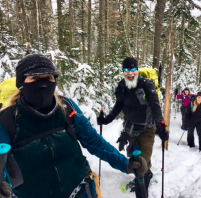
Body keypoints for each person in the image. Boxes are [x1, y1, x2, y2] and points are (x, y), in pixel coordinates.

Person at [0, 54, 147, 198]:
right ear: (21, 83)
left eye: (49, 78)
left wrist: (126, 164)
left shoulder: (67, 108)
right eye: (35, 78)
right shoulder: (7, 120)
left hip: (81, 191)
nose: (43, 83)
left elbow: (94, 141)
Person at [97, 57, 169, 198]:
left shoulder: (146, 85)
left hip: (146, 131)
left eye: (133, 70)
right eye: (126, 70)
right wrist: (106, 120)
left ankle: (142, 187)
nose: (130, 73)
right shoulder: (122, 87)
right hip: (129, 130)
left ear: (137, 70)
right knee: (135, 159)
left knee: (139, 166)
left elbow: (155, 105)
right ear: (123, 72)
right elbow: (119, 105)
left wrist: (160, 124)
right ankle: (146, 173)